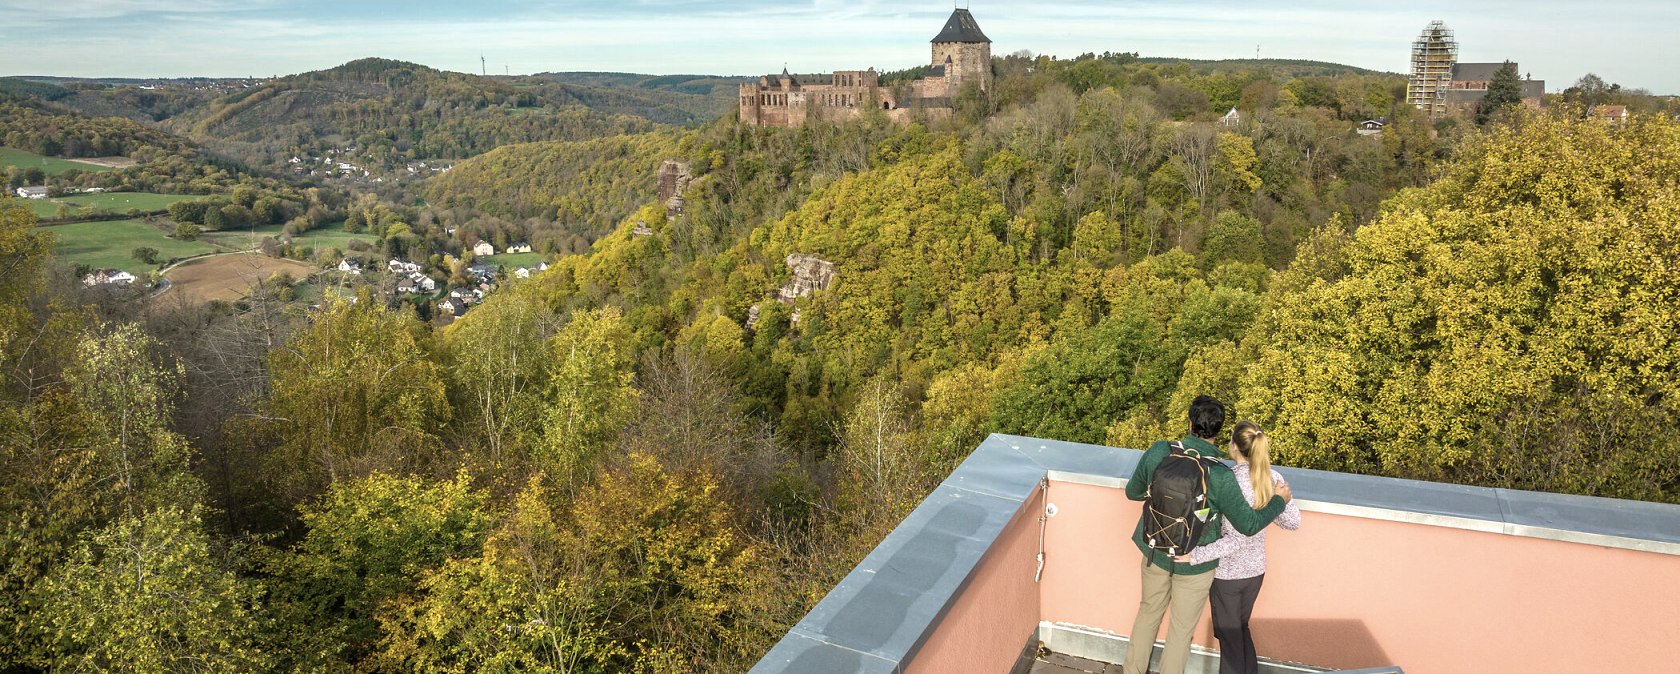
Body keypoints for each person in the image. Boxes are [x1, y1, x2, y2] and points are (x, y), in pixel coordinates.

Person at [1123, 396, 1291, 674]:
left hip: (1155, 550)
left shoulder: (1159, 451)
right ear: (1220, 432)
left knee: (1147, 614)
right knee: (1180, 630)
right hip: (1194, 563)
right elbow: (1249, 525)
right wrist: (1279, 501)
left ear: (1189, 422)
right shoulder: (1221, 475)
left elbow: (1133, 492)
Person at [1179, 421, 1301, 674]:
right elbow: (1292, 522)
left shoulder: (1229, 481)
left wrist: (1196, 555)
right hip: (1255, 572)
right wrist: (1275, 502)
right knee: (1240, 632)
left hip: (1229, 576)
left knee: (1230, 639)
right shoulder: (1273, 477)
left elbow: (1235, 539)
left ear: (1233, 445)